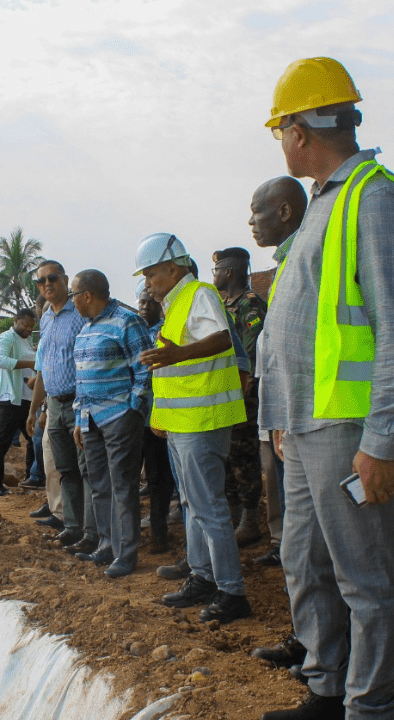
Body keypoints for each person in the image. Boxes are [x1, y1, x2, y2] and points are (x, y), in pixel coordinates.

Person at [255, 57, 394, 720]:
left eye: (281, 129)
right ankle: (326, 688)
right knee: (304, 560)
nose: (281, 140)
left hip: (349, 429)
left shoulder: (376, 199)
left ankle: (369, 707)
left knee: (365, 578)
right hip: (306, 426)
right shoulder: (325, 203)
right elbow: (304, 324)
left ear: (300, 131)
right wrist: (280, 415)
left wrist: (383, 442)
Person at [136, 232, 252, 624]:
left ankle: (232, 592)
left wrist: (178, 354)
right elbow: (172, 370)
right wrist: (161, 416)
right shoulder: (176, 304)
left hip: (202, 421)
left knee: (210, 507)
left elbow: (222, 338)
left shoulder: (200, 293)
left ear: (172, 268)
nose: (148, 283)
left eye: (151, 274)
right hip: (182, 422)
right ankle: (202, 577)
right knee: (192, 504)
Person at [68, 270, 153, 578]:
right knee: (100, 485)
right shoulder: (86, 327)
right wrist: (80, 418)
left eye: (73, 295)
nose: (72, 301)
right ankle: (106, 545)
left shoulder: (127, 322)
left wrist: (132, 409)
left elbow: (144, 369)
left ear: (87, 295)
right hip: (90, 420)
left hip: (119, 417)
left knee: (123, 486)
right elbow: (82, 378)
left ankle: (126, 553)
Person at [247, 175, 307, 566]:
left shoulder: (304, 259)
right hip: (284, 416)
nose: (251, 222)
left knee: (308, 518)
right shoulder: (286, 264)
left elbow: (297, 348)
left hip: (304, 417)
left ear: (284, 212)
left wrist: (285, 416)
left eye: (257, 212)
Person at [25, 260, 95, 551]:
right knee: (65, 470)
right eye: (40, 281)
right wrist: (35, 409)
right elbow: (44, 369)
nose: (46, 284)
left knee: (87, 470)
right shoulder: (46, 320)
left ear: (65, 280)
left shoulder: (80, 314)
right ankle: (72, 527)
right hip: (54, 405)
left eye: (52, 278)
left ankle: (92, 533)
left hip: (80, 403)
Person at [211, 246, 268, 546]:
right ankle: (232, 514)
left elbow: (252, 349)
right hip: (223, 392)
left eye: (218, 270)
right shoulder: (222, 304)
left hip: (244, 393)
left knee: (244, 455)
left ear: (230, 271)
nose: (215, 275)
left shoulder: (250, 304)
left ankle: (250, 518)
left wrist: (242, 386)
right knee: (226, 454)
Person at [136, 281, 177, 553]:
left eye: (151, 302)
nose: (146, 306)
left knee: (159, 478)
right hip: (134, 416)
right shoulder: (132, 331)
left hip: (158, 417)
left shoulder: (165, 330)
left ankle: (159, 533)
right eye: (142, 302)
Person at [0, 309, 37, 497]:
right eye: (25, 325)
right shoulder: (6, 338)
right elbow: (0, 360)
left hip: (27, 398)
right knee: (3, 442)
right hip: (11, 398)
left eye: (31, 327)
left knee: (33, 439)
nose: (28, 329)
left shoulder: (27, 340)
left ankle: (31, 478)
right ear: (16, 320)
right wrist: (29, 364)